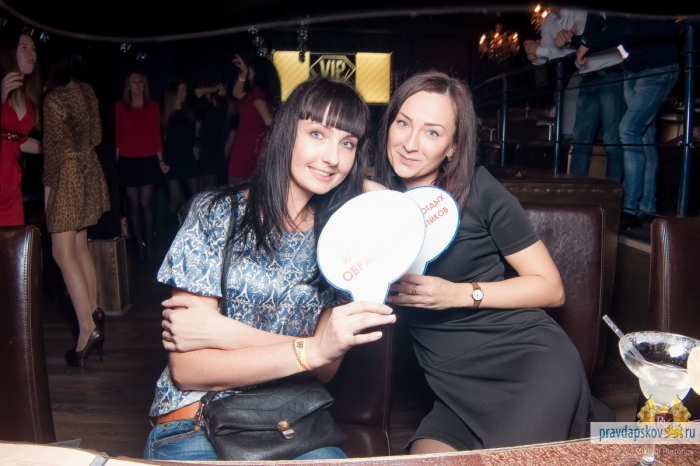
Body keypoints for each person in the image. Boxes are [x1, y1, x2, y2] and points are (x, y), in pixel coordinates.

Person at [143, 77, 391, 461]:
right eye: (317, 133)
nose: (332, 157)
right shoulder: (215, 213)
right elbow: (189, 368)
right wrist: (311, 349)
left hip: (291, 422)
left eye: (348, 144)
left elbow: (326, 368)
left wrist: (226, 332)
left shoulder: (343, 241)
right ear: (285, 131)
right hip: (197, 422)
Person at [372, 71, 614, 453]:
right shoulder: (372, 207)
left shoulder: (479, 189)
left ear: (452, 147)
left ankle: (588, 428)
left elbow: (551, 288)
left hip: (526, 360)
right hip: (454, 387)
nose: (410, 143)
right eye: (403, 123)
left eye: (432, 132)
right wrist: (365, 196)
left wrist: (457, 294)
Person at [571, 17, 680, 224]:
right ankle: (647, 207)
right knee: (644, 137)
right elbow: (599, 32)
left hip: (659, 67)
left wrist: (585, 43)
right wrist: (577, 40)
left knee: (629, 129)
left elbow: (625, 27)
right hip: (632, 69)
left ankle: (629, 208)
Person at [43, 44, 110, 367]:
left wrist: (48, 191)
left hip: (67, 176)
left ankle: (87, 329)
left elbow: (52, 154)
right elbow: (97, 135)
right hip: (89, 169)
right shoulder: (87, 91)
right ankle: (94, 312)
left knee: (61, 252)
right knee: (80, 246)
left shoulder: (53, 99)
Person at [524, 8, 625, 180]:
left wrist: (540, 51)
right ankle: (577, 192)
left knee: (612, 142)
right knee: (580, 142)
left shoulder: (578, 9)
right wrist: (536, 56)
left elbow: (579, 46)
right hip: (586, 78)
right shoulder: (548, 22)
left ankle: (612, 195)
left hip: (610, 74)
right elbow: (555, 54)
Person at [116, 72, 164, 260]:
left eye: (140, 81)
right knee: (133, 204)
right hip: (128, 159)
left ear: (145, 85)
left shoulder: (153, 106)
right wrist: (116, 162)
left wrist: (161, 161)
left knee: (145, 202)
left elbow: (156, 133)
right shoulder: (120, 106)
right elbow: (118, 134)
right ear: (128, 86)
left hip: (148, 159)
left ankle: (149, 246)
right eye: (133, 81)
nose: (136, 84)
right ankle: (139, 247)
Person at [0, 31, 42, 225]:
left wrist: (55, 148)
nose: (31, 53)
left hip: (11, 181)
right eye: (24, 48)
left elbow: (18, 140)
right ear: (10, 53)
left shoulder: (29, 98)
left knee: (14, 239)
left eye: (33, 49)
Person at [228, 54, 281, 184]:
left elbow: (268, 121)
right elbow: (236, 93)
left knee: (237, 186)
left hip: (248, 146)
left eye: (250, 72)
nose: (248, 77)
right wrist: (243, 72)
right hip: (254, 145)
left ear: (258, 73)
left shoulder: (257, 91)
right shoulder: (258, 94)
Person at [162, 80, 198, 233]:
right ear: (174, 92)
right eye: (182, 89)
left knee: (195, 195)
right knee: (175, 197)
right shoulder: (165, 116)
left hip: (187, 157)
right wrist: (163, 161)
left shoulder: (188, 112)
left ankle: (193, 229)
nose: (185, 92)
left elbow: (191, 137)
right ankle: (170, 232)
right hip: (172, 159)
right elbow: (162, 141)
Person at [194, 82, 228, 188]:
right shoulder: (209, 109)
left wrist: (216, 90)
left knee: (211, 185)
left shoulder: (218, 110)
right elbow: (198, 91)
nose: (207, 94)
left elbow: (198, 91)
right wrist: (215, 89)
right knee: (204, 183)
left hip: (213, 152)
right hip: (207, 150)